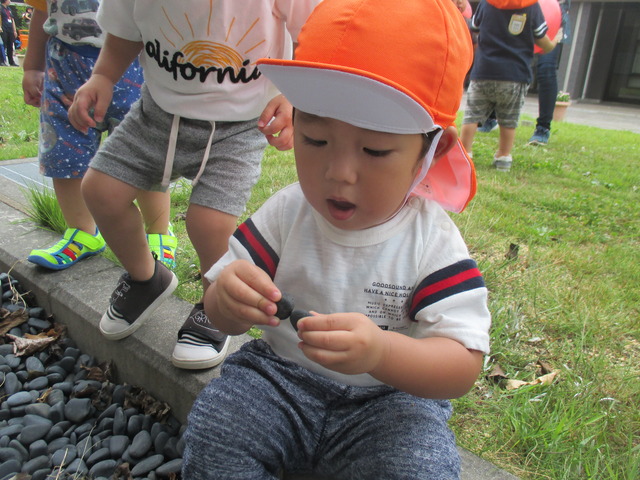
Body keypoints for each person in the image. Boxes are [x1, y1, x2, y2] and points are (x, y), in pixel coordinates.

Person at [182, 0, 491, 477]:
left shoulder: (431, 242)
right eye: (316, 140)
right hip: (278, 379)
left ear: (433, 149)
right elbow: (220, 307)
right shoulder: (288, 212)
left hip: (389, 402)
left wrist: (383, 353)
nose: (339, 172)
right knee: (216, 433)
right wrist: (226, 299)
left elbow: (462, 364)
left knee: (418, 468)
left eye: (375, 150)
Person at [68, 0, 321, 369]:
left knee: (209, 223)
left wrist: (294, 95)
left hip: (240, 125)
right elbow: (125, 28)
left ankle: (213, 308)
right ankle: (146, 278)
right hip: (156, 116)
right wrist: (103, 76)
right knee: (100, 191)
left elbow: (312, 32)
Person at [21, 0, 174, 272]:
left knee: (145, 156)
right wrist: (32, 67)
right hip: (65, 65)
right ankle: (82, 232)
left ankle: (158, 231)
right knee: (66, 152)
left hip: (133, 61)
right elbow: (41, 8)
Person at [460, 0, 563, 172]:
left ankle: (464, 154)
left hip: (484, 72)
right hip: (515, 75)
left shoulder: (486, 3)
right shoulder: (532, 6)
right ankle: (503, 157)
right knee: (508, 120)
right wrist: (554, 42)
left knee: (472, 116)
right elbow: (542, 41)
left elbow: (475, 27)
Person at [528, 0, 571, 145]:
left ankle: (543, 128)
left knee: (546, 69)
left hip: (554, 13)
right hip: (525, 8)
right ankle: (491, 117)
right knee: (510, 61)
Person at [0, 0, 18, 66]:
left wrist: (14, 30)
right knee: (3, 44)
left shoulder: (9, 9)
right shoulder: (0, 8)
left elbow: (12, 19)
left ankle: (11, 62)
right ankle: (1, 61)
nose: (10, 1)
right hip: (3, 28)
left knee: (10, 45)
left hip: (10, 28)